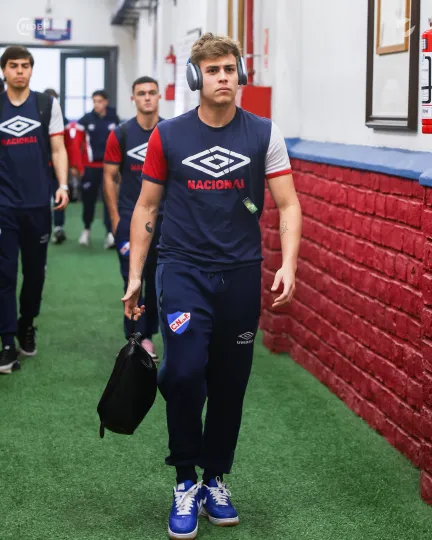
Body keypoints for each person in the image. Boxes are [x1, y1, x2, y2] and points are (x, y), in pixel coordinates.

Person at [122, 33, 302, 539]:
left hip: (241, 274)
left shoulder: (264, 133)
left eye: (229, 68)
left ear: (240, 73)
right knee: (182, 373)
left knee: (229, 383)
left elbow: (288, 203)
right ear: (195, 77)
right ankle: (184, 479)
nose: (223, 77)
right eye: (213, 70)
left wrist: (288, 264)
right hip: (183, 270)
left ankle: (215, 479)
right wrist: (135, 275)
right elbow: (147, 206)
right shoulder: (169, 135)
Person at [0, 46, 69, 374]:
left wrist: (63, 184)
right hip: (3, 206)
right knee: (4, 273)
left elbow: (58, 148)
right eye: (13, 65)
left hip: (38, 204)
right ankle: (7, 341)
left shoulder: (46, 104)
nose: (19, 71)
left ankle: (26, 323)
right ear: (4, 70)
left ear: (31, 69)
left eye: (25, 65)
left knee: (34, 273)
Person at [103, 76, 163, 359]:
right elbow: (109, 176)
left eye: (152, 92)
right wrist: (116, 220)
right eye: (141, 93)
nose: (147, 97)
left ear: (159, 96)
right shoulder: (121, 133)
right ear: (133, 98)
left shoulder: (168, 132)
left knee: (158, 280)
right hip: (129, 218)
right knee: (132, 278)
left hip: (163, 219)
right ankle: (137, 337)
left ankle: (152, 333)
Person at [71, 89, 120, 248]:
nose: (97, 104)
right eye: (94, 101)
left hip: (109, 168)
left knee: (110, 201)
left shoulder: (114, 118)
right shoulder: (85, 120)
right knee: (88, 201)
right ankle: (86, 230)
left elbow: (120, 144)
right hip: (90, 168)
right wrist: (77, 166)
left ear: (106, 102)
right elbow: (76, 145)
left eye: (99, 101)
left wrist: (120, 167)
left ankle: (110, 234)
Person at [43, 88, 74, 244]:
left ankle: (58, 227)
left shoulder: (64, 120)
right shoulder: (37, 117)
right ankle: (43, 228)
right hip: (41, 167)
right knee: (42, 199)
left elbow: (67, 145)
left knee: (60, 195)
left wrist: (71, 165)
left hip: (58, 167)